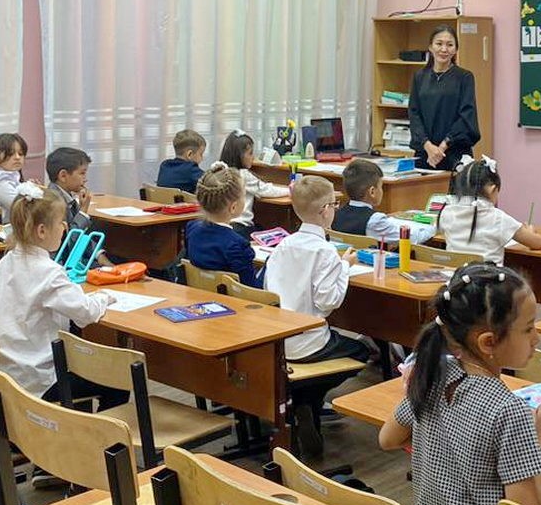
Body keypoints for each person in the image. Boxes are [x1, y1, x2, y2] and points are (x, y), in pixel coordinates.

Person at [378, 263, 541, 505]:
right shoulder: (509, 411)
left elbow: (388, 438)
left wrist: (444, 445)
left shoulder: (433, 374)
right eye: (529, 328)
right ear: (488, 342)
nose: (537, 338)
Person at [0, 182, 123, 408]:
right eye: (61, 222)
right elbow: (86, 313)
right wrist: (105, 296)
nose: (65, 226)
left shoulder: (6, 261)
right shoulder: (48, 272)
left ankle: (75, 421)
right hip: (36, 380)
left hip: (2, 371)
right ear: (42, 231)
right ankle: (97, 431)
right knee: (119, 379)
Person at [264, 175, 369, 454]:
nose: (335, 209)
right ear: (325, 211)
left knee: (339, 344)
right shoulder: (325, 251)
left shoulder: (283, 246)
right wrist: (344, 267)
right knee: (362, 351)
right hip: (309, 343)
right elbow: (328, 302)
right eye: (335, 204)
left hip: (279, 340)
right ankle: (307, 399)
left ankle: (304, 402)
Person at [436, 155, 541, 265]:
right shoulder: (497, 218)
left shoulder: (447, 213)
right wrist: (530, 232)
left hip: (456, 275)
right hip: (489, 275)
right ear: (492, 189)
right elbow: (537, 243)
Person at [408, 24, 480, 170]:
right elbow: (414, 114)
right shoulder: (419, 77)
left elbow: (466, 115)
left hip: (454, 153)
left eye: (450, 45)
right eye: (439, 44)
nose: (444, 49)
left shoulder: (464, 77)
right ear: (430, 47)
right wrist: (428, 145)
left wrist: (442, 147)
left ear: (456, 49)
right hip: (425, 154)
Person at [185, 162, 261, 288]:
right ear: (233, 207)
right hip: (231, 299)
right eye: (244, 195)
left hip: (198, 293)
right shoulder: (238, 245)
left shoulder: (192, 228)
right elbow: (250, 289)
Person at [332, 158, 436, 245]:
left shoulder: (336, 214)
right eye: (381, 186)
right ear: (372, 192)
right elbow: (413, 237)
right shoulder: (374, 221)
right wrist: (435, 226)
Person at [218, 129, 288, 237]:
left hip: (223, 225)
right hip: (240, 227)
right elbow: (266, 190)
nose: (253, 157)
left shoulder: (221, 170)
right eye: (250, 153)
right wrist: (290, 190)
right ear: (238, 155)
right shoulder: (242, 174)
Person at [156, 129, 206, 194]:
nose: (202, 158)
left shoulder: (164, 165)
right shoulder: (190, 170)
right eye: (201, 154)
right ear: (189, 154)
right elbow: (210, 181)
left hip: (162, 200)